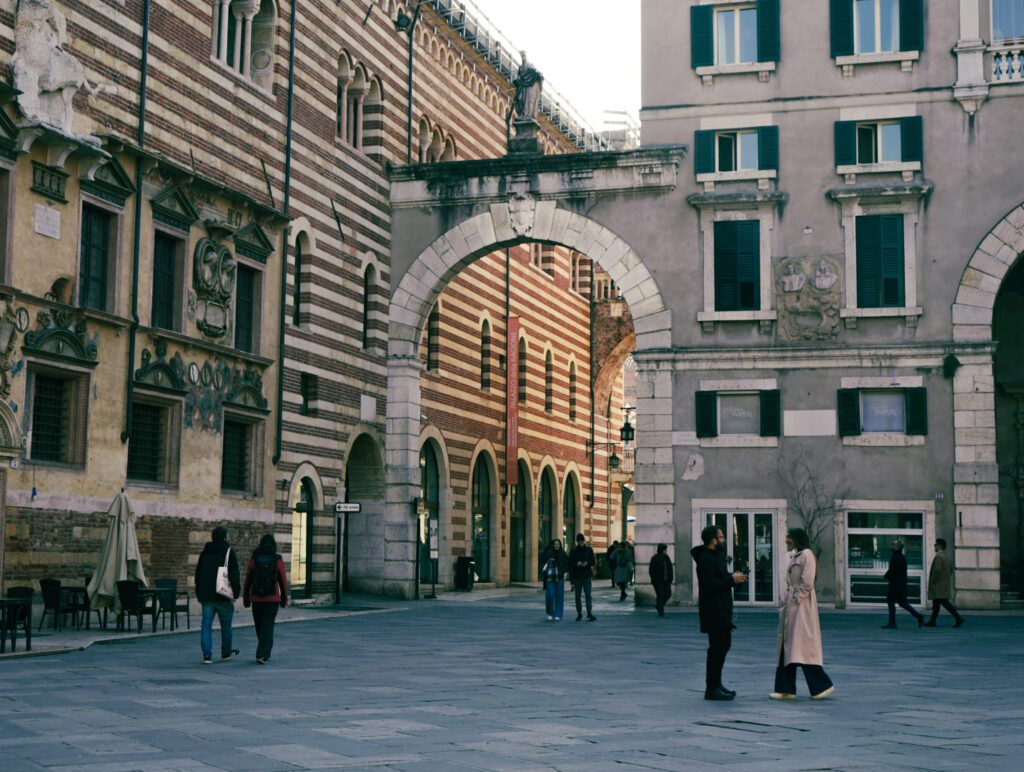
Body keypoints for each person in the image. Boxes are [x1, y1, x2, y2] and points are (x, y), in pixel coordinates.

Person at [772, 528, 834, 700]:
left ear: (797, 538)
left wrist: (794, 598)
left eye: (789, 537)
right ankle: (786, 688)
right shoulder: (795, 556)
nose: (786, 540)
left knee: (801, 646)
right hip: (792, 605)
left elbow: (807, 583)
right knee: (788, 646)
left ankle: (821, 685)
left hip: (801, 606)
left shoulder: (807, 555)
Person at [691, 525, 748, 701]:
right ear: (713, 540)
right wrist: (731, 580)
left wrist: (734, 577)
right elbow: (709, 586)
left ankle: (717, 684)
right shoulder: (706, 559)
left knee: (722, 647)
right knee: (717, 649)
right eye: (721, 537)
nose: (723, 540)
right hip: (713, 611)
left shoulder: (715, 557)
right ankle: (711, 688)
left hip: (721, 610)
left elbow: (720, 579)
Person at [194, 525, 241, 664]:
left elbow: (198, 575)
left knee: (206, 625)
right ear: (225, 537)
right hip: (223, 596)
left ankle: (207, 656)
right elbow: (234, 575)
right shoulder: (228, 552)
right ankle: (226, 652)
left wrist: (199, 593)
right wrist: (235, 594)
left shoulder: (205, 553)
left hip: (207, 596)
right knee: (226, 626)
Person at [243, 534, 290, 664]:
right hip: (272, 598)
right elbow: (282, 581)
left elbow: (248, 580)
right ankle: (263, 654)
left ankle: (262, 652)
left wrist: (246, 598)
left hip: (256, 598)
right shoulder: (277, 559)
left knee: (259, 626)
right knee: (268, 626)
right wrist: (284, 599)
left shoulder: (254, 558)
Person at [882, 539, 924, 629]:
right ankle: (918, 616)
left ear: (897, 547)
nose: (892, 546)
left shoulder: (896, 557)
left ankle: (892, 622)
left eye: (893, 544)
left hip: (895, 585)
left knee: (891, 602)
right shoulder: (901, 556)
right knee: (903, 603)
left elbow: (893, 570)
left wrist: (886, 576)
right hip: (901, 584)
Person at [925, 538, 964, 628]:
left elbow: (937, 571)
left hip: (938, 585)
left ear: (940, 546)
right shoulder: (946, 556)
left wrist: (933, 581)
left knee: (944, 603)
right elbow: (950, 571)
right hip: (944, 584)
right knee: (936, 604)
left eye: (936, 544)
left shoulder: (939, 557)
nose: (934, 546)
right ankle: (932, 621)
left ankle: (958, 618)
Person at [568, 533, 597, 622]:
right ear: (577, 541)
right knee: (578, 596)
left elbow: (593, 561)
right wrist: (577, 564)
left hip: (586, 575)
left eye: (582, 541)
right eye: (579, 541)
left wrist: (586, 563)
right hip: (577, 576)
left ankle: (589, 613)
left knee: (588, 595)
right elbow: (570, 564)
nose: (581, 542)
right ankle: (579, 613)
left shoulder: (589, 550)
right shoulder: (573, 551)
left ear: (584, 541)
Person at [539, 539, 570, 621]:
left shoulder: (562, 553)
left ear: (560, 545)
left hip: (559, 578)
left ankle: (558, 614)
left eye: (558, 544)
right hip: (550, 579)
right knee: (550, 595)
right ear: (553, 545)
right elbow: (542, 563)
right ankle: (549, 612)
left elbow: (567, 564)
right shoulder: (548, 553)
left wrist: (561, 572)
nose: (557, 545)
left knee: (559, 596)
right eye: (555, 544)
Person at [648, 543, 673, 616]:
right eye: (665, 549)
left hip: (666, 580)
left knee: (668, 594)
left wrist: (670, 579)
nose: (666, 551)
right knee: (660, 595)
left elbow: (670, 569)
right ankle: (660, 610)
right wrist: (655, 579)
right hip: (658, 581)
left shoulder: (666, 557)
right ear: (662, 550)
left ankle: (659, 605)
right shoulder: (655, 558)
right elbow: (652, 570)